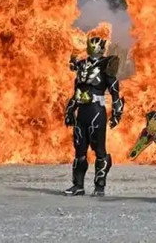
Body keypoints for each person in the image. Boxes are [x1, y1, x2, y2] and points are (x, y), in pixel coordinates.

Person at [63, 35, 124, 196]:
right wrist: (69, 111)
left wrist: (117, 113)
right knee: (79, 150)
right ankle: (78, 185)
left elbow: (115, 91)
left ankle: (99, 186)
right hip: (82, 111)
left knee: (99, 150)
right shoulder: (82, 65)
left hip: (96, 111)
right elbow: (76, 92)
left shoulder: (106, 64)